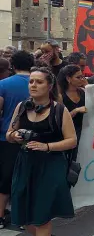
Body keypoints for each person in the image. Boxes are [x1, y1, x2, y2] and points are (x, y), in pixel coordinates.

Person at [6, 67, 77, 236]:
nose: (33, 85)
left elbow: (72, 141)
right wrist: (14, 135)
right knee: (24, 216)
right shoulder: (22, 107)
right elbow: (8, 134)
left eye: (39, 82)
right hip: (25, 165)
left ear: (49, 85)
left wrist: (46, 146)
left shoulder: (59, 110)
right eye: (31, 81)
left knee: (42, 215)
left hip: (50, 166)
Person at [0, 51, 34, 229]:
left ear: (12, 65)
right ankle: (23, 218)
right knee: (26, 178)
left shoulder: (3, 84)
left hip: (7, 138)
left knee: (5, 179)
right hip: (34, 138)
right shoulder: (40, 83)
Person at [57, 65, 87, 161]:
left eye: (82, 76)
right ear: (68, 79)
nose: (81, 79)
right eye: (78, 77)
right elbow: (59, 119)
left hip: (84, 133)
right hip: (69, 135)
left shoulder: (83, 92)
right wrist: (76, 111)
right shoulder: (60, 96)